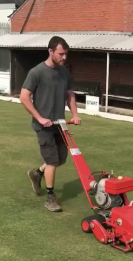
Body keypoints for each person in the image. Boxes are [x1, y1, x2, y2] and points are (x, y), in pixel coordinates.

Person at [20, 36, 81, 212]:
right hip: (43, 126)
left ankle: (36, 173)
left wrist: (75, 114)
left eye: (66, 54)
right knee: (52, 161)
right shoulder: (36, 72)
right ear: (51, 51)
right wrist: (39, 118)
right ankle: (50, 197)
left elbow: (69, 94)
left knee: (61, 159)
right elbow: (24, 96)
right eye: (61, 54)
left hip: (59, 124)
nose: (64, 58)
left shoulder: (64, 72)